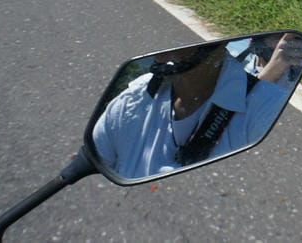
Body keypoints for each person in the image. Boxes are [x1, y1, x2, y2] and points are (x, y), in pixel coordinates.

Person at [91, 40, 288, 180]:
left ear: (220, 42)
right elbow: (92, 162)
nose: (159, 53)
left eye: (178, 41)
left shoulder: (268, 107)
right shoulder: (131, 100)